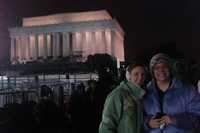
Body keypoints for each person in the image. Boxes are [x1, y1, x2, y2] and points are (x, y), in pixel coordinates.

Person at [144, 53, 200, 133]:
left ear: (170, 68)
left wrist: (175, 120)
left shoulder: (188, 91)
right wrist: (148, 123)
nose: (161, 70)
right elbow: (138, 118)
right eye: (157, 67)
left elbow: (197, 117)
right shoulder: (145, 92)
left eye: (165, 66)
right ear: (152, 71)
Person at [99, 63, 146, 133]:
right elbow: (106, 126)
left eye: (143, 74)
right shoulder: (118, 95)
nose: (140, 77)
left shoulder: (142, 95)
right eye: (136, 74)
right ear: (129, 76)